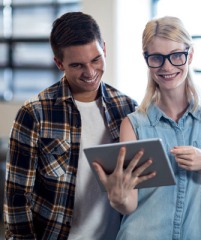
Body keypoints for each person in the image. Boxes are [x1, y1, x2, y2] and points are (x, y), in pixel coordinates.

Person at [93, 16, 201, 240]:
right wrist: (118, 198)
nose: (167, 66)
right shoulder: (133, 124)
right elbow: (129, 204)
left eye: (177, 55)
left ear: (191, 55)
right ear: (146, 59)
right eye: (157, 58)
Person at [3, 12, 137, 239]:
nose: (90, 72)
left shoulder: (127, 108)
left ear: (104, 48)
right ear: (59, 63)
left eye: (96, 59)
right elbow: (17, 198)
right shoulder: (34, 113)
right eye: (77, 65)